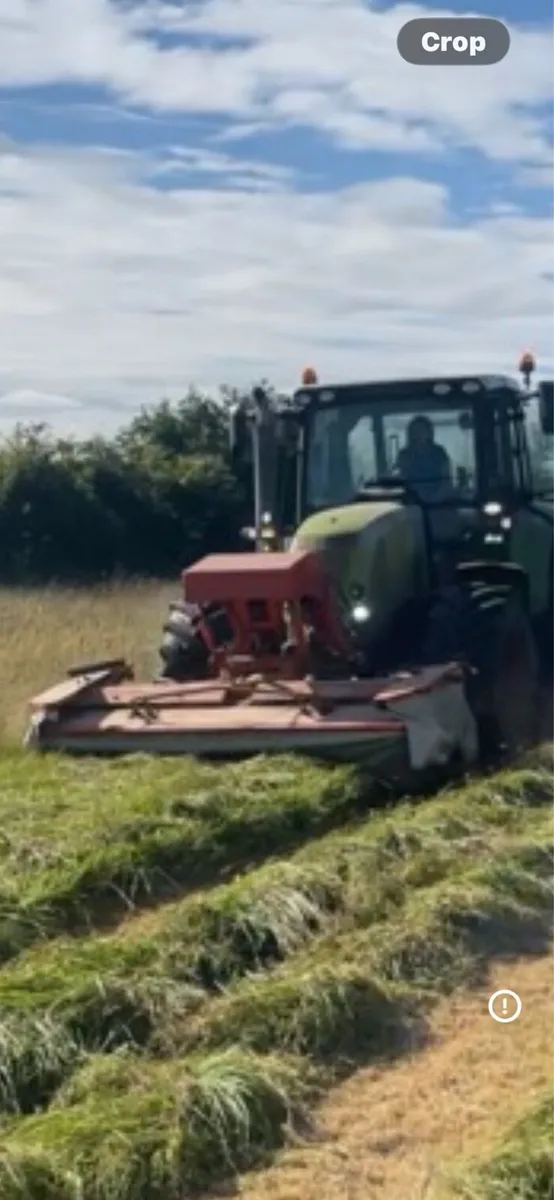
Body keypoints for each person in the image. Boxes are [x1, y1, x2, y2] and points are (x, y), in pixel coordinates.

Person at [396, 414, 453, 502]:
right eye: (414, 431)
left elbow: (446, 480)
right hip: (412, 502)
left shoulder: (439, 452)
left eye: (421, 430)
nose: (418, 434)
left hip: (439, 502)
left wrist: (435, 499)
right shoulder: (405, 454)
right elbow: (402, 479)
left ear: (429, 433)